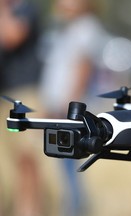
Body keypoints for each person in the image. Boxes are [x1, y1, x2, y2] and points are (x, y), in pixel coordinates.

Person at [39, 0, 111, 215]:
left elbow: (83, 70)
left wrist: (70, 109)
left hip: (70, 110)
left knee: (71, 162)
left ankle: (75, 208)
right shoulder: (70, 29)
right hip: (61, 107)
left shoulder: (86, 28)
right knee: (65, 163)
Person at [0, 0, 43, 216]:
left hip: (24, 94)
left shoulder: (26, 7)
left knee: (27, 160)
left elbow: (11, 36)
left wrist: (3, 8)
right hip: (3, 94)